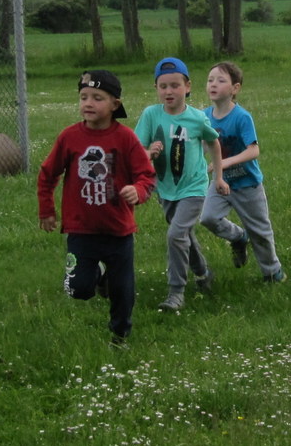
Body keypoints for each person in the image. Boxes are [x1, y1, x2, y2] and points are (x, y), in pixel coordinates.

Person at [38, 71, 156, 345]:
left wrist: (138, 191)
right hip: (81, 230)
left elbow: (147, 176)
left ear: (115, 104)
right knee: (76, 288)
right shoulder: (69, 137)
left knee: (122, 290)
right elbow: (48, 174)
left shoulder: (126, 138)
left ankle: (120, 335)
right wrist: (46, 210)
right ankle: (98, 275)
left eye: (97, 98)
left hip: (118, 231)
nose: (88, 103)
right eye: (83, 97)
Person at [134, 57, 225, 311]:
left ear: (187, 86)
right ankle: (203, 273)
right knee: (183, 234)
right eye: (163, 86)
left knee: (175, 235)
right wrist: (149, 152)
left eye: (175, 85)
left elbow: (214, 143)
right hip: (165, 188)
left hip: (193, 187)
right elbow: (136, 150)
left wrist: (218, 176)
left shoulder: (196, 118)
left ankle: (176, 292)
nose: (169, 91)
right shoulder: (151, 115)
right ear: (156, 88)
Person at [198, 61, 287, 285]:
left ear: (235, 88)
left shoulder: (241, 117)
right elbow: (201, 146)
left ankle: (272, 272)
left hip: (248, 184)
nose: (213, 84)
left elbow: (253, 150)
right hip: (221, 183)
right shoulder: (204, 116)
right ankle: (238, 237)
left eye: (220, 80)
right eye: (210, 80)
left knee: (260, 232)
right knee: (208, 218)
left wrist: (224, 162)